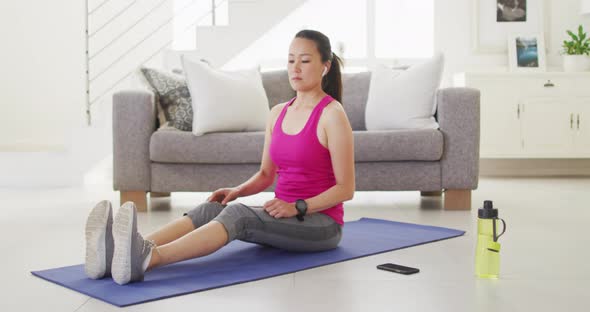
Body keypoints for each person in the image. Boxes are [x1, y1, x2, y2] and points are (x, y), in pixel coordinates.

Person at [84, 29, 355, 285]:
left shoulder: (332, 115)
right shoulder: (278, 112)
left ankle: (147, 259)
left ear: (325, 66)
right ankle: (123, 252)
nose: (295, 68)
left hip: (322, 225)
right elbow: (266, 174)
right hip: (283, 215)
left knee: (239, 215)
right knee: (215, 206)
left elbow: (346, 189)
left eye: (305, 61)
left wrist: (298, 207)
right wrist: (236, 191)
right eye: (291, 60)